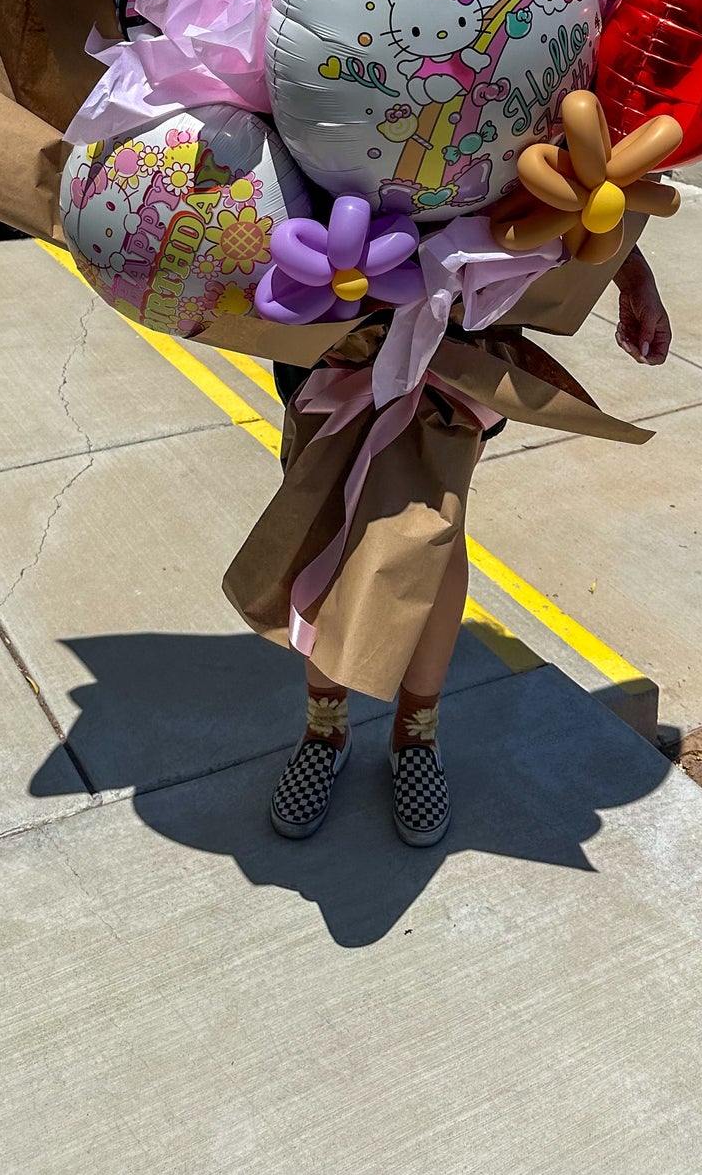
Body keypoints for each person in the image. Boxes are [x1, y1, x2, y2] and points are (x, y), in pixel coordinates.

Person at [267, 244, 673, 846]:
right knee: (327, 516)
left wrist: (633, 270)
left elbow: (569, 167)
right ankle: (325, 725)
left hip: (460, 325)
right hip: (334, 312)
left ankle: (417, 731)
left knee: (435, 523)